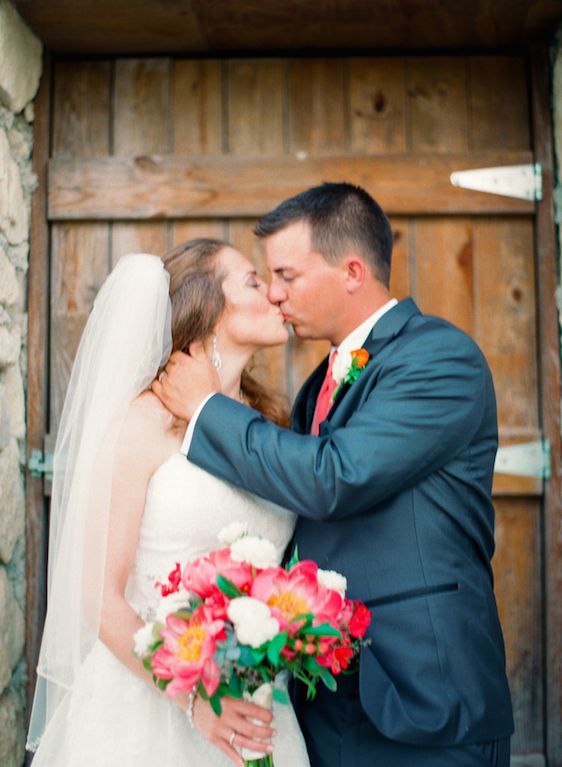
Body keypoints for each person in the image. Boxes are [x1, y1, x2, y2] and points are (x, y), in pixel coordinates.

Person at [152, 183, 515, 767]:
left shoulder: (439, 358)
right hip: (324, 700)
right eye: (265, 278)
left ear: (351, 271)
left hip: (424, 699)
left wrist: (203, 409)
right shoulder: (319, 383)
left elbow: (334, 478)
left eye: (287, 275)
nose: (274, 293)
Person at [27, 241, 310, 767]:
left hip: (256, 706)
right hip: (146, 710)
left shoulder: (269, 426)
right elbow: (98, 597)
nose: (274, 294)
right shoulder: (144, 423)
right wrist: (194, 696)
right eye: (252, 281)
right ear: (206, 305)